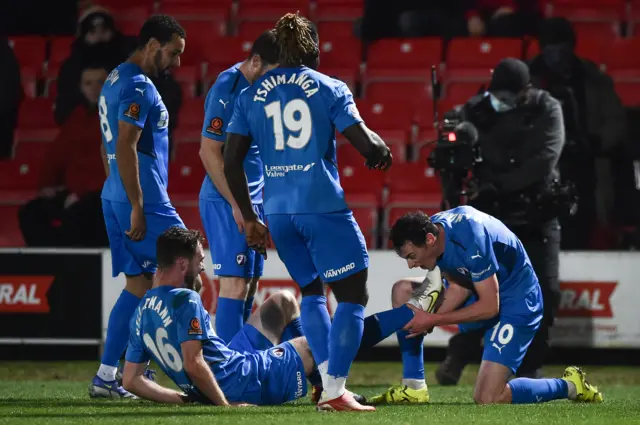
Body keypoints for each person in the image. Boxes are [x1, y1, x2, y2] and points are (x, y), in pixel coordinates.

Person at [223, 13, 394, 411]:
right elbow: (366, 145)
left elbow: (231, 160)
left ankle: (330, 388)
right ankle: (335, 391)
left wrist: (249, 216)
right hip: (322, 206)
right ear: (313, 49)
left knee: (313, 293)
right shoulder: (329, 87)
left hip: (279, 212)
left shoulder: (249, 95)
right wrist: (380, 152)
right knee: (353, 297)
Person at [385, 207, 603, 405]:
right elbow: (459, 287)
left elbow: (490, 306)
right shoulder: (433, 230)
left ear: (430, 239)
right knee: (402, 290)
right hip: (480, 290)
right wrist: (426, 318)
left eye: (412, 256)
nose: (411, 264)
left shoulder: (471, 237)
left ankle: (569, 385)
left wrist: (432, 319)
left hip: (516, 300)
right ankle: (413, 386)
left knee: (488, 398)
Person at [437, 57, 566, 384]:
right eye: (498, 94)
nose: (502, 101)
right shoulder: (475, 110)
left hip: (535, 212)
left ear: (525, 91)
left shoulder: (546, 109)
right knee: (473, 286)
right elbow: (454, 158)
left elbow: (545, 159)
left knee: (544, 291)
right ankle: (460, 352)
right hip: (489, 216)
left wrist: (500, 184)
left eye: (509, 95)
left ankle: (529, 366)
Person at [90, 15, 187, 399]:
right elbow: (127, 145)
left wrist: (117, 190)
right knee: (188, 261)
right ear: (152, 45)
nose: (177, 63)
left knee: (137, 285)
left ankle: (107, 376)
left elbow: (106, 147)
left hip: (112, 192)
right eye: (173, 53)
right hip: (141, 198)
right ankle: (186, 369)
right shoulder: (138, 87)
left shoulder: (114, 78)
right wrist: (137, 205)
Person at [122, 226, 315, 406]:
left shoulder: (140, 313)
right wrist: (224, 404)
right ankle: (328, 390)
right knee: (313, 345)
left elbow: (130, 380)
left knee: (283, 301)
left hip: (226, 365)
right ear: (182, 264)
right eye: (199, 260)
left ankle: (313, 382)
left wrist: (184, 398)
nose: (203, 267)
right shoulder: (186, 300)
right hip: (240, 381)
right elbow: (193, 363)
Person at [198, 31, 278, 344]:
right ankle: (228, 369)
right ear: (256, 61)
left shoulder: (263, 89)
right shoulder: (227, 86)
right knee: (233, 285)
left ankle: (242, 359)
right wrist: (236, 204)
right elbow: (208, 152)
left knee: (250, 284)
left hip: (253, 199)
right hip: (227, 200)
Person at [528, 17, 627, 250]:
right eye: (551, 49)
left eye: (562, 49)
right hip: (539, 172)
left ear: (571, 48)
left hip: (586, 167)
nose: (557, 57)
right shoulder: (526, 80)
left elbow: (616, 121)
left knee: (583, 232)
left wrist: (594, 142)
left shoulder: (592, 79)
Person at [19, 65, 109, 248]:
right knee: (31, 213)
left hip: (103, 196)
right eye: (88, 83)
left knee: (79, 214)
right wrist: (47, 185)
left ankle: (72, 267)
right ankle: (49, 264)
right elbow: (56, 156)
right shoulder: (76, 118)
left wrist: (79, 193)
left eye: (100, 82)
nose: (94, 89)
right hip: (74, 193)